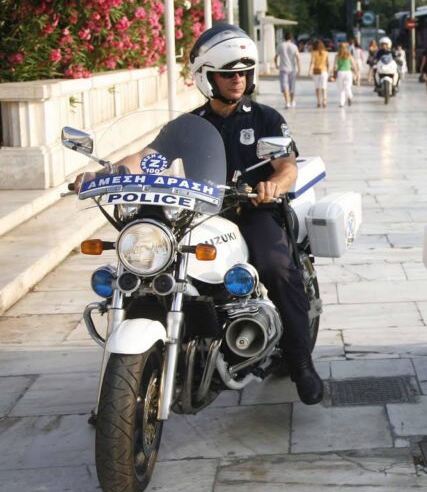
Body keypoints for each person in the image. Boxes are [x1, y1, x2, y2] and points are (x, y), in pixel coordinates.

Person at [75, 25, 324, 405]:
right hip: (200, 215)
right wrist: (104, 174)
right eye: (228, 73)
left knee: (275, 266)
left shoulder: (265, 119)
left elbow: (287, 164)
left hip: (252, 210)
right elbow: (145, 156)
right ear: (208, 78)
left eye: (243, 72)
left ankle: (301, 360)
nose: (238, 80)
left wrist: (276, 184)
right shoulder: (187, 126)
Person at [274, 31, 300, 108]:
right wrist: (299, 69)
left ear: (284, 37)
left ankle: (287, 102)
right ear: (291, 38)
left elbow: (276, 57)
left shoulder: (280, 45)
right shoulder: (294, 46)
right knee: (292, 86)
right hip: (292, 69)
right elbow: (298, 58)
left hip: (283, 68)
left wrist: (276, 65)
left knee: (285, 86)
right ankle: (292, 101)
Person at [332, 41, 355, 107]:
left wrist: (333, 72)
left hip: (340, 72)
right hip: (348, 72)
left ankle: (342, 103)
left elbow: (335, 65)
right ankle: (350, 96)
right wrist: (355, 71)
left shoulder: (337, 55)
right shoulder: (349, 54)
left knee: (341, 88)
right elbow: (353, 64)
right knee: (347, 86)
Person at [309, 39, 329, 108]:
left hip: (316, 71)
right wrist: (328, 71)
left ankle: (318, 101)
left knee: (317, 87)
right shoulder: (326, 53)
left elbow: (312, 62)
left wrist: (309, 71)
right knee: (324, 87)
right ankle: (324, 101)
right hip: (324, 71)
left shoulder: (313, 53)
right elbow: (327, 63)